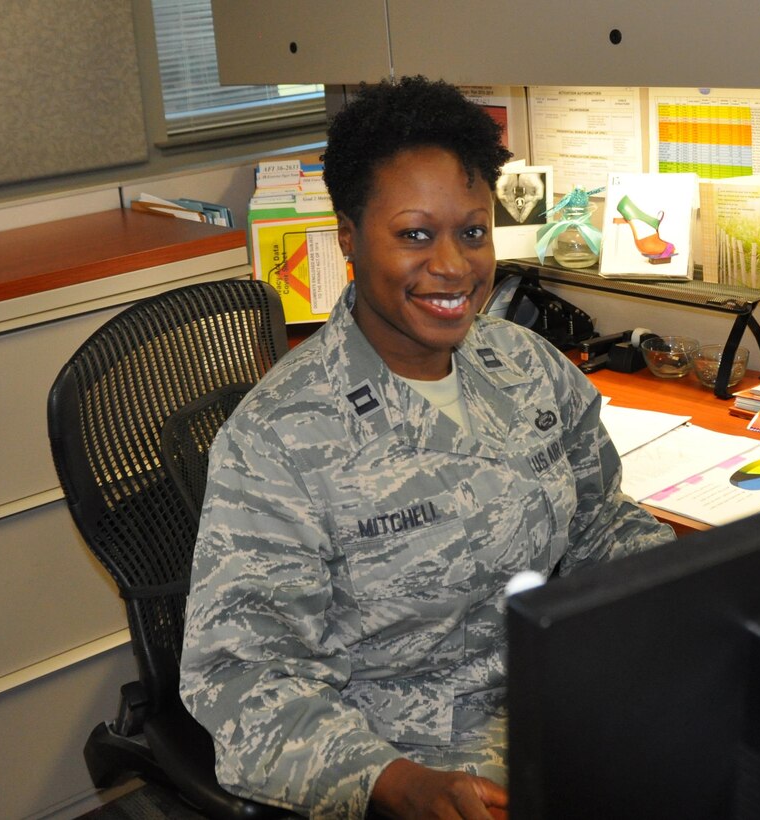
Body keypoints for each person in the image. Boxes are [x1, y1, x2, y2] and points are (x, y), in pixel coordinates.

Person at [180, 75, 675, 820]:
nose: (453, 266)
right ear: (348, 235)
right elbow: (245, 683)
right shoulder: (277, 438)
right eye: (415, 234)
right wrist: (400, 784)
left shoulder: (526, 364)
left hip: (565, 718)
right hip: (415, 771)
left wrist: (699, 594)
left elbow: (601, 521)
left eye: (472, 232)